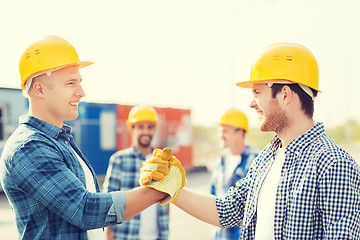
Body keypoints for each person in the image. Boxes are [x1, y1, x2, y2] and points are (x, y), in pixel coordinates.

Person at [140, 42, 360, 239]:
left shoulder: (334, 164)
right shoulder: (266, 158)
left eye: (257, 92)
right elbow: (227, 211)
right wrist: (173, 189)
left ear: (285, 95)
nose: (251, 104)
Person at [0, 35, 180, 239]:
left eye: (80, 82)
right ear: (39, 89)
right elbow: (85, 210)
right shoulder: (29, 147)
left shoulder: (60, 141)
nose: (81, 92)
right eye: (70, 83)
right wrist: (160, 189)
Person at [102, 105, 169, 240]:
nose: (146, 131)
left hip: (157, 236)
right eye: (140, 127)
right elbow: (108, 201)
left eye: (150, 127)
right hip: (126, 235)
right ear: (131, 129)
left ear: (154, 130)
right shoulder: (119, 160)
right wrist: (108, 234)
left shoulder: (163, 162)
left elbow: (167, 200)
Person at [210, 108, 258, 240]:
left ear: (240, 132)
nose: (221, 135)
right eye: (220, 131)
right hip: (221, 236)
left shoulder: (256, 160)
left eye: (225, 131)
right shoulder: (221, 160)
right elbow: (213, 196)